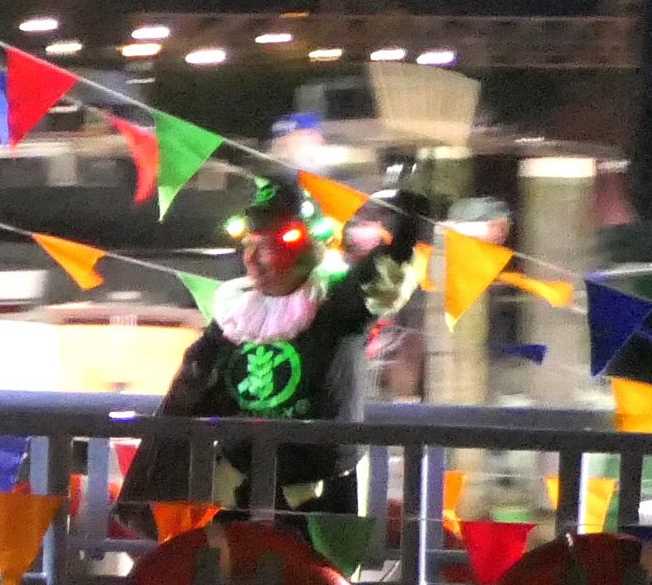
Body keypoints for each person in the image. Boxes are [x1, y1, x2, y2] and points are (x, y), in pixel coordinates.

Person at [116, 173, 430, 529]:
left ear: (302, 247)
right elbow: (188, 395)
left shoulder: (335, 302)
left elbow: (386, 271)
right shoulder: (235, 315)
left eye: (266, 247)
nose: (252, 259)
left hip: (318, 492)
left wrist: (406, 224)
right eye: (249, 245)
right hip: (236, 485)